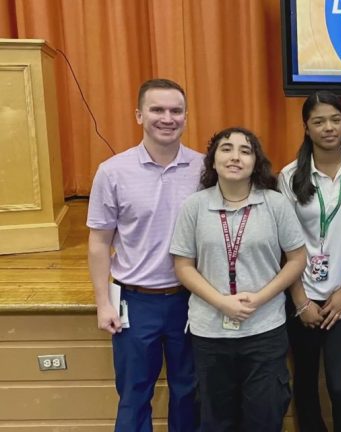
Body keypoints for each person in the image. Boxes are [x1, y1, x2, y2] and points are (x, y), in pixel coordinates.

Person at [170, 127, 307, 431]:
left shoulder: (275, 204)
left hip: (265, 330)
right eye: (226, 149)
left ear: (256, 161)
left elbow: (297, 260)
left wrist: (259, 298)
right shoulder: (194, 206)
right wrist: (221, 302)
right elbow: (183, 265)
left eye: (245, 151)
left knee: (265, 418)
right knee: (215, 421)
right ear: (213, 160)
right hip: (210, 333)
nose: (235, 156)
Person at [86, 78, 201, 431]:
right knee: (134, 393)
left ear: (185, 116)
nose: (167, 118)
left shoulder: (206, 168)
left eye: (175, 110)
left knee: (190, 392)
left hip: (191, 300)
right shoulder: (112, 172)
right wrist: (103, 302)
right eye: (157, 110)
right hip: (135, 303)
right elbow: (99, 242)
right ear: (139, 115)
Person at [277, 91, 341, 432]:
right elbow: (285, 245)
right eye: (318, 121)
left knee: (340, 385)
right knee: (305, 383)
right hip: (301, 296)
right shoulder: (288, 177)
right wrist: (300, 301)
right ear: (306, 127)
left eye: (335, 119)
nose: (328, 127)